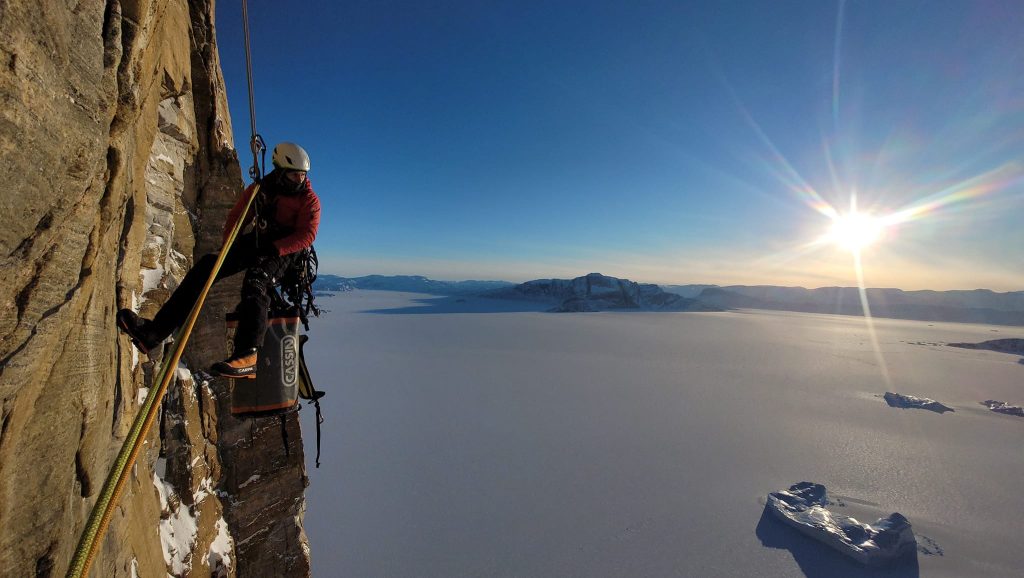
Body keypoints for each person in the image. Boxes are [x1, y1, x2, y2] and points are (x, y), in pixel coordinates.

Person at [117, 142, 321, 378]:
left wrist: (274, 249)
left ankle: (248, 354)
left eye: (303, 175)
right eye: (295, 175)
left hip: (286, 251)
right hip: (260, 241)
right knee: (207, 268)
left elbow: (307, 235)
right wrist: (228, 248)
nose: (300, 180)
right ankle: (153, 333)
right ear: (280, 172)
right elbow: (238, 215)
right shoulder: (262, 189)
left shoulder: (309, 199)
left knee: (257, 281)